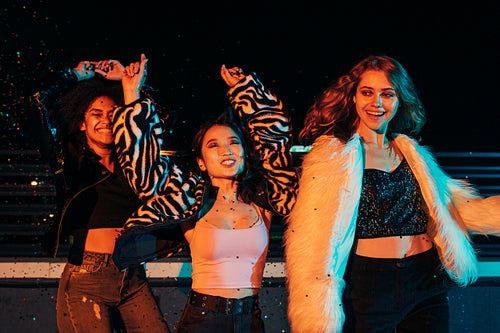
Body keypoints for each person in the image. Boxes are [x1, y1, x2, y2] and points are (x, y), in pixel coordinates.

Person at [283, 54, 500, 332]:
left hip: (426, 278)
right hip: (369, 284)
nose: (376, 103)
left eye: (387, 94)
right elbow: (311, 232)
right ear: (353, 97)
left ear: (399, 100)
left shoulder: (412, 152)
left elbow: (458, 207)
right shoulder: (332, 156)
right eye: (367, 92)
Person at [110, 61, 297, 332]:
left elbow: (275, 139)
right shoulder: (190, 199)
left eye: (234, 143)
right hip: (202, 319)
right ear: (201, 162)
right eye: (214, 145)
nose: (227, 151)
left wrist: (246, 89)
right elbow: (145, 168)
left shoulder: (263, 197)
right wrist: (131, 92)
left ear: (245, 152)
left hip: (250, 319)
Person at [31, 57, 170, 332]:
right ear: (82, 123)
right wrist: (73, 75)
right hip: (86, 278)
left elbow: (159, 119)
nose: (106, 121)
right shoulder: (69, 162)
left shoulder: (134, 160)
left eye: (113, 113)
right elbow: (37, 103)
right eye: (96, 114)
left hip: (132, 277)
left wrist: (130, 84)